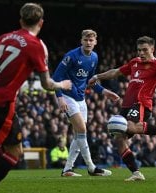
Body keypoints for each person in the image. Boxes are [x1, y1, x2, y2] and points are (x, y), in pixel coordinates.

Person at [0, 3, 71, 192]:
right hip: (1, 102)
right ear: (41, 22)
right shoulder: (35, 46)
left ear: (21, 20)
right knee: (14, 153)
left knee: (6, 149)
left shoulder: (6, 37)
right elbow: (46, 84)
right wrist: (62, 84)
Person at [89, 36, 156, 181]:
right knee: (119, 140)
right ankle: (136, 173)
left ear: (152, 49)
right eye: (139, 50)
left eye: (145, 50)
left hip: (142, 104)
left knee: (131, 127)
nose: (141, 53)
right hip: (126, 105)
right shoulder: (135, 62)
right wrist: (97, 76)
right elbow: (116, 72)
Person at [52, 29, 120, 177]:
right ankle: (91, 167)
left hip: (81, 99)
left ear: (95, 42)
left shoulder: (94, 57)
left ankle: (67, 169)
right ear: (81, 41)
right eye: (86, 40)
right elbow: (56, 77)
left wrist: (104, 92)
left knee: (79, 134)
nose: (88, 43)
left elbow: (90, 81)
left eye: (91, 40)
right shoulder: (71, 56)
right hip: (67, 95)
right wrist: (59, 97)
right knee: (82, 129)